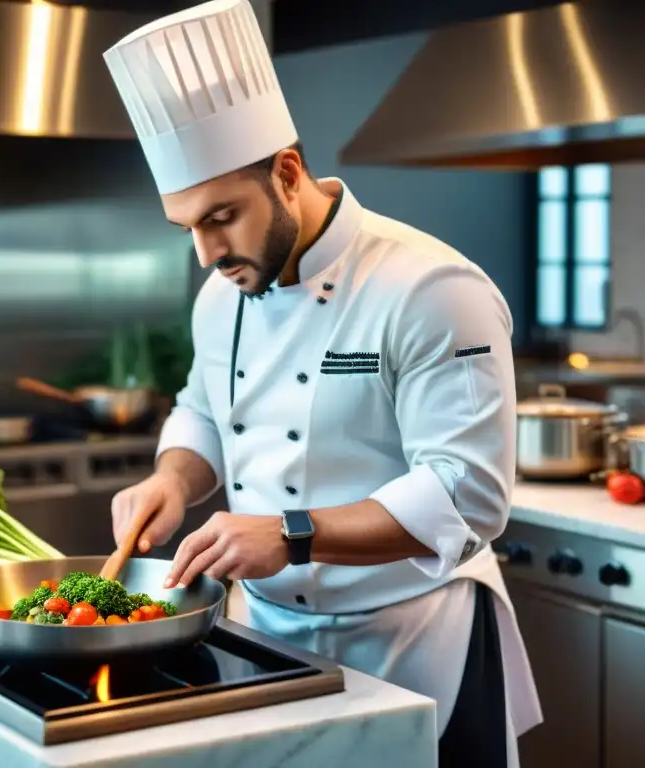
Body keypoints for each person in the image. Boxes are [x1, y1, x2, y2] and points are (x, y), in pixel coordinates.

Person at [102, 1, 542, 765]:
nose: (207, 252)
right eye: (189, 230)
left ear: (287, 172)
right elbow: (204, 411)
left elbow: (467, 495)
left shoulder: (431, 288)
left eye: (223, 217)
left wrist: (291, 533)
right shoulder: (223, 293)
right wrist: (171, 479)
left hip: (413, 640)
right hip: (268, 640)